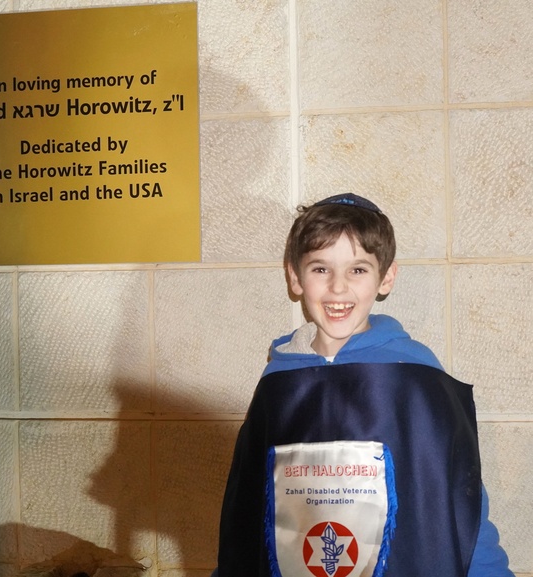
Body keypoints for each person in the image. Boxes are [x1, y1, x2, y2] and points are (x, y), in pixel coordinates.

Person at [213, 194, 513, 577]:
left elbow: (454, 499)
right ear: (294, 276)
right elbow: (248, 507)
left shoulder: (416, 375)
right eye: (320, 269)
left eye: (358, 270)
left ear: (386, 277)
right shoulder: (277, 380)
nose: (338, 289)